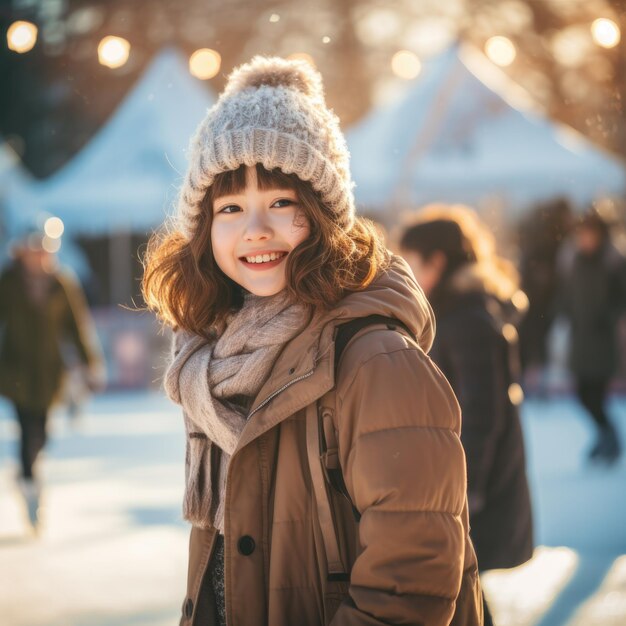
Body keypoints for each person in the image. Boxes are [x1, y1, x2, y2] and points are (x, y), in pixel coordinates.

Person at [142, 57, 482, 626]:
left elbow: (410, 584)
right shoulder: (212, 360)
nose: (256, 229)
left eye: (281, 203)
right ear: (204, 229)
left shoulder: (376, 362)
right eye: (230, 208)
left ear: (323, 215)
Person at [399, 205, 534, 626]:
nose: (408, 275)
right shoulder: (456, 311)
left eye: (411, 263)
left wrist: (467, 487)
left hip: (473, 479)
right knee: (455, 584)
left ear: (436, 261)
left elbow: (482, 413)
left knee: (455, 582)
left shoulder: (467, 318)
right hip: (463, 474)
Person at [0, 227, 105, 528]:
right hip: (16, 371)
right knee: (25, 429)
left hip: (49, 373)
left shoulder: (62, 283)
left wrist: (89, 364)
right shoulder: (8, 282)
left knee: (42, 432)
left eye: (45, 249)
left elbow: (77, 326)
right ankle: (29, 484)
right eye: (34, 249)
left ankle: (27, 474)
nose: (40, 255)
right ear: (22, 252)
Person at [558, 209, 625, 464]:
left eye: (589, 235)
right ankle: (605, 438)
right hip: (581, 338)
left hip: (602, 340)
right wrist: (563, 312)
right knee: (582, 394)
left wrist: (607, 317)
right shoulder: (573, 261)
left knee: (595, 396)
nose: (584, 239)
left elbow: (621, 298)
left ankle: (609, 440)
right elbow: (566, 294)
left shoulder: (612, 262)